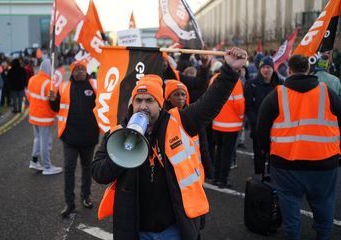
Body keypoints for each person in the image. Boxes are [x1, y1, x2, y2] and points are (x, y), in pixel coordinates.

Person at [92, 47, 247, 240]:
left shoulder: (180, 121)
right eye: (138, 100)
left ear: (160, 103)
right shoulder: (117, 133)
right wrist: (122, 153)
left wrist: (230, 71)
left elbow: (209, 103)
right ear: (132, 104)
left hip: (174, 228)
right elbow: (98, 172)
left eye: (149, 100)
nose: (142, 106)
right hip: (136, 229)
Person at [257, 54, 341, 240]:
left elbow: (261, 130)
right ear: (309, 69)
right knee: (324, 202)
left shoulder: (276, 95)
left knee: (290, 205)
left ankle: (293, 235)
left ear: (289, 70)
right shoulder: (327, 92)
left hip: (286, 164)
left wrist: (265, 153)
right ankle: (323, 235)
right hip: (324, 163)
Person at [49, 60, 99, 217]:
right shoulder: (63, 86)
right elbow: (57, 108)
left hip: (89, 136)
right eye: (76, 69)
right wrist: (52, 100)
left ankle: (86, 196)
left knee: (86, 168)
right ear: (71, 72)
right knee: (69, 169)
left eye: (82, 69)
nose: (79, 71)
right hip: (69, 137)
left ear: (86, 71)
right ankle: (69, 203)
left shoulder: (95, 85)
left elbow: (106, 101)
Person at [164, 79, 214, 179]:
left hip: (195, 171)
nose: (180, 98)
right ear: (168, 97)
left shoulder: (193, 117)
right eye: (176, 94)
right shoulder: (164, 118)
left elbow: (203, 146)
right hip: (175, 174)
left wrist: (208, 169)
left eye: (183, 94)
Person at [244, 56, 282, 173]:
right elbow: (248, 106)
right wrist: (255, 122)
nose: (266, 70)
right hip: (258, 126)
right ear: (260, 69)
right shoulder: (252, 84)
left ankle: (272, 175)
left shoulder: (280, 84)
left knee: (274, 154)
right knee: (259, 153)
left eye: (268, 67)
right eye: (263, 67)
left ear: (273, 68)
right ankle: (259, 176)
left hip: (277, 127)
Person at [210, 67, 245, 188]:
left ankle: (216, 177)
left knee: (219, 151)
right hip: (231, 124)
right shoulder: (235, 81)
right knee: (227, 154)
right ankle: (223, 180)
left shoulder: (214, 78)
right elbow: (239, 103)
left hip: (217, 121)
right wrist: (241, 117)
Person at [27, 59, 62, 175]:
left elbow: (29, 97)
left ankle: (34, 161)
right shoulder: (49, 84)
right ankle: (47, 166)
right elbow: (54, 102)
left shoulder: (32, 79)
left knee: (37, 139)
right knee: (45, 142)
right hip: (45, 117)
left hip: (34, 116)